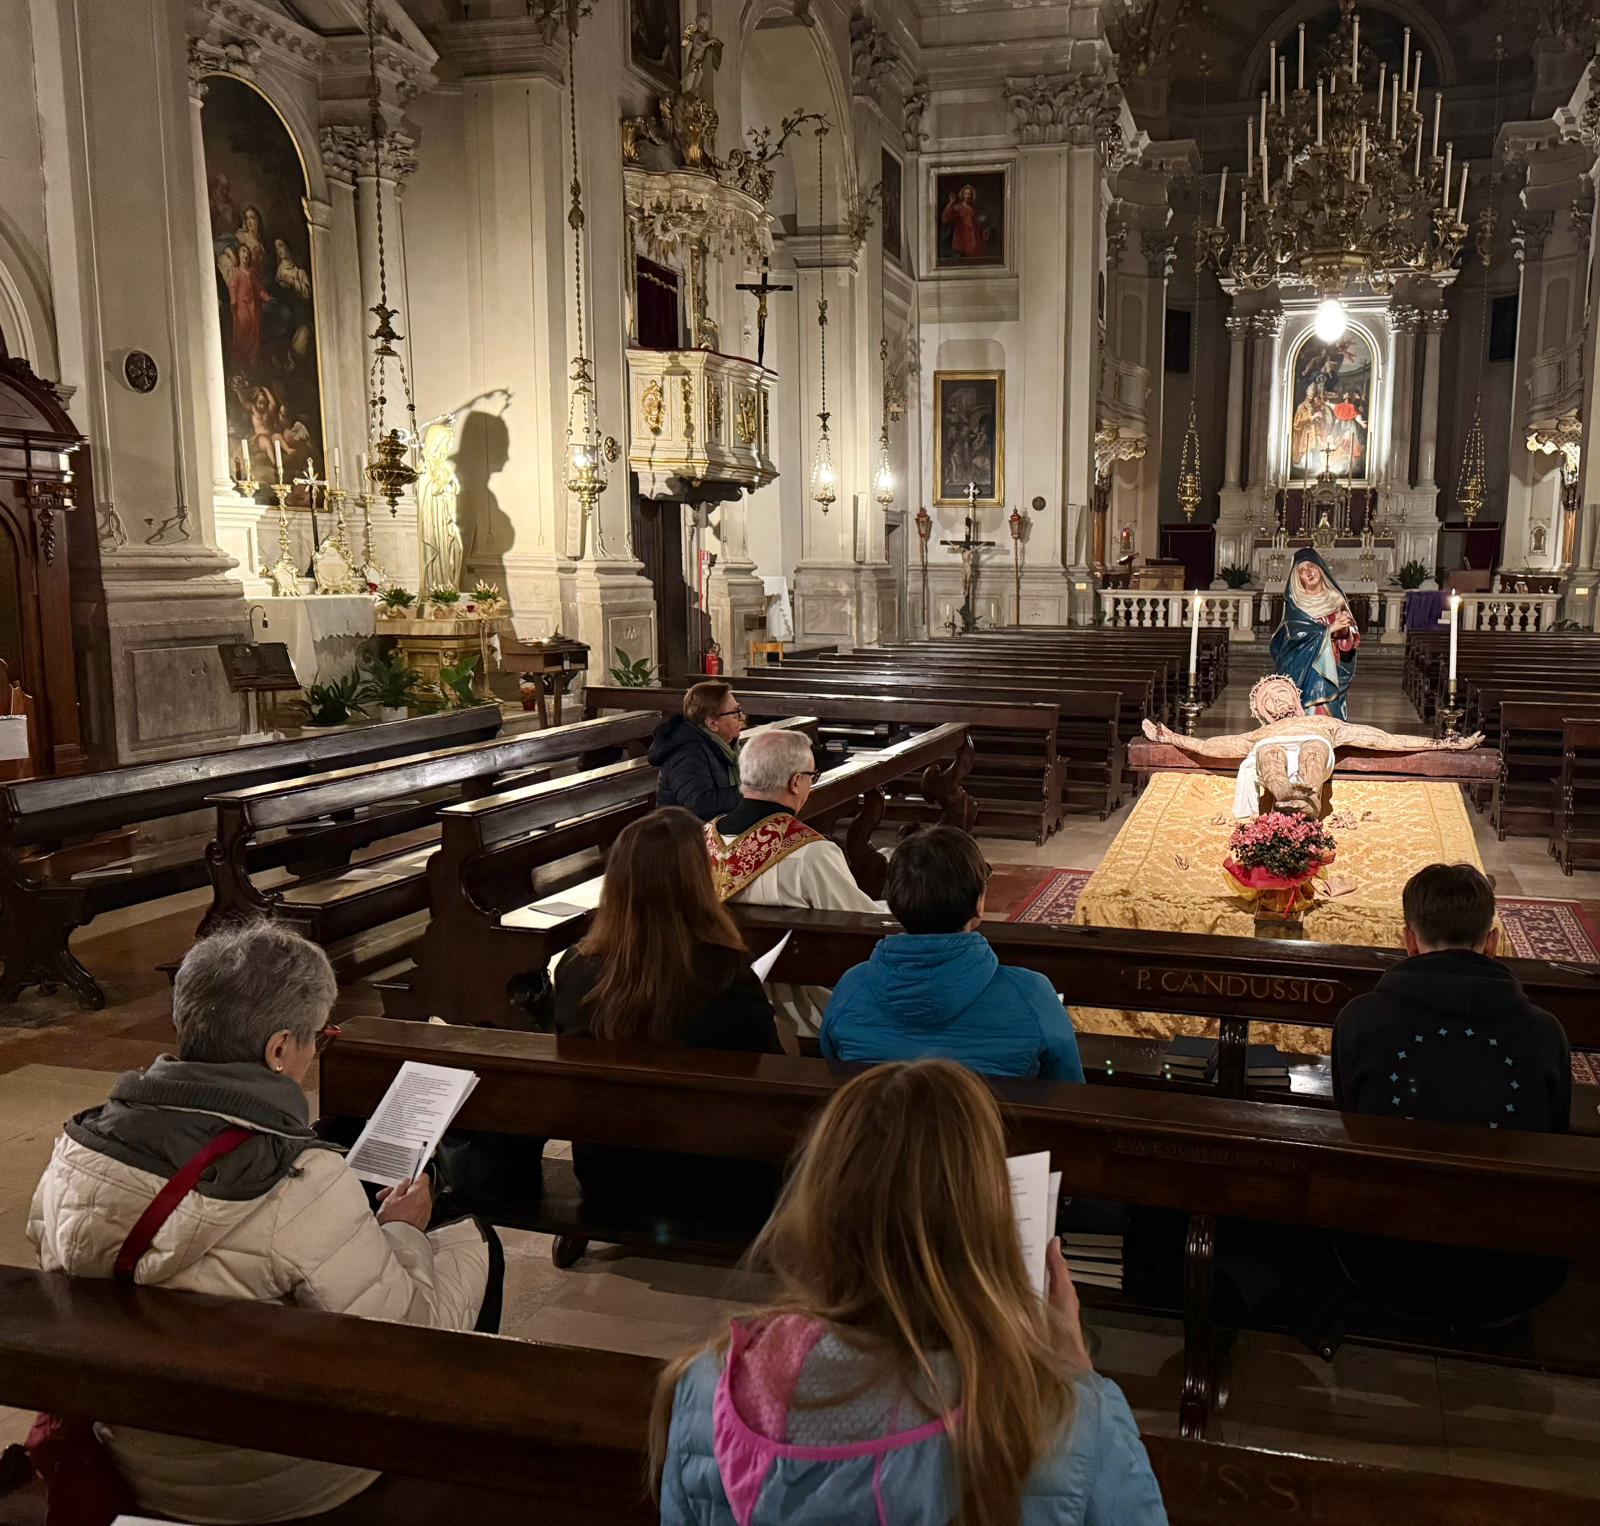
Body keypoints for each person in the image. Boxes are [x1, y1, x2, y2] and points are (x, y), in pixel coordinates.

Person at [26, 921, 499, 1524]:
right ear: (278, 1051)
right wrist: (403, 1230)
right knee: (474, 1244)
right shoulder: (303, 1183)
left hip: (131, 1452)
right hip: (279, 1478)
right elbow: (401, 1344)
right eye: (316, 1038)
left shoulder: (78, 1148)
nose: (314, 1052)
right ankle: (456, 1456)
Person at [653, 1059, 1168, 1525]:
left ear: (818, 1206)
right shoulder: (1071, 1418)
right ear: (990, 1227)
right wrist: (1077, 1374)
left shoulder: (709, 1386)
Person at [1331, 863, 1571, 1325]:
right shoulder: (1545, 1033)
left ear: (1408, 941)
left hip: (1383, 1264)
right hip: (1516, 1275)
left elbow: (1348, 1123)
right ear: (1493, 943)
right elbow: (1553, 1135)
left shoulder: (1360, 1020)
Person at [553, 807, 782, 1213]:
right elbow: (769, 1078)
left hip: (609, 1176)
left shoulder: (575, 967)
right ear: (698, 881)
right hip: (717, 1184)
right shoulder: (726, 974)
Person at [822, 826, 1084, 1081]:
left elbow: (833, 1068)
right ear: (979, 903)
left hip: (879, 1112)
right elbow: (1068, 1089)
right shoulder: (1032, 994)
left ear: (893, 903)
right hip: (990, 1113)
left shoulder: (851, 987)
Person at [706, 728, 887, 1036]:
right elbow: (860, 928)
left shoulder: (700, 841)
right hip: (797, 1009)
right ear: (795, 782)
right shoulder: (811, 853)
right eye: (811, 777)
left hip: (713, 1001)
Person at [1144, 673, 1481, 821]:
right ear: (1262, 713)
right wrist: (1169, 736)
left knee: (1313, 751)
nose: (1277, 702)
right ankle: (1284, 795)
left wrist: (1444, 743)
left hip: (1315, 742)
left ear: (1296, 700)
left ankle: (1307, 799)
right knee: (1269, 756)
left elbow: (1382, 739)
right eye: (1268, 700)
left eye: (1282, 694)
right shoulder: (1261, 733)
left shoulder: (1324, 723)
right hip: (1270, 746)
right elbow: (1211, 746)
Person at [1268, 548, 1361, 718]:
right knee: (1306, 718)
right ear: (1298, 579)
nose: (1309, 573)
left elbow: (1349, 641)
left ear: (1320, 568)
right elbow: (1293, 638)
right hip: (1304, 670)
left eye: (1311, 566)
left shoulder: (1336, 600)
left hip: (1330, 668)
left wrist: (1345, 629)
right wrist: (1329, 630)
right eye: (1302, 571)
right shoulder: (1296, 605)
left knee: (1326, 718)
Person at [651, 680, 746, 821]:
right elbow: (699, 804)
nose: (742, 717)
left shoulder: (727, 746)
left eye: (739, 710)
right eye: (735, 713)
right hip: (682, 831)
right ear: (712, 724)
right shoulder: (687, 752)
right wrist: (751, 793)